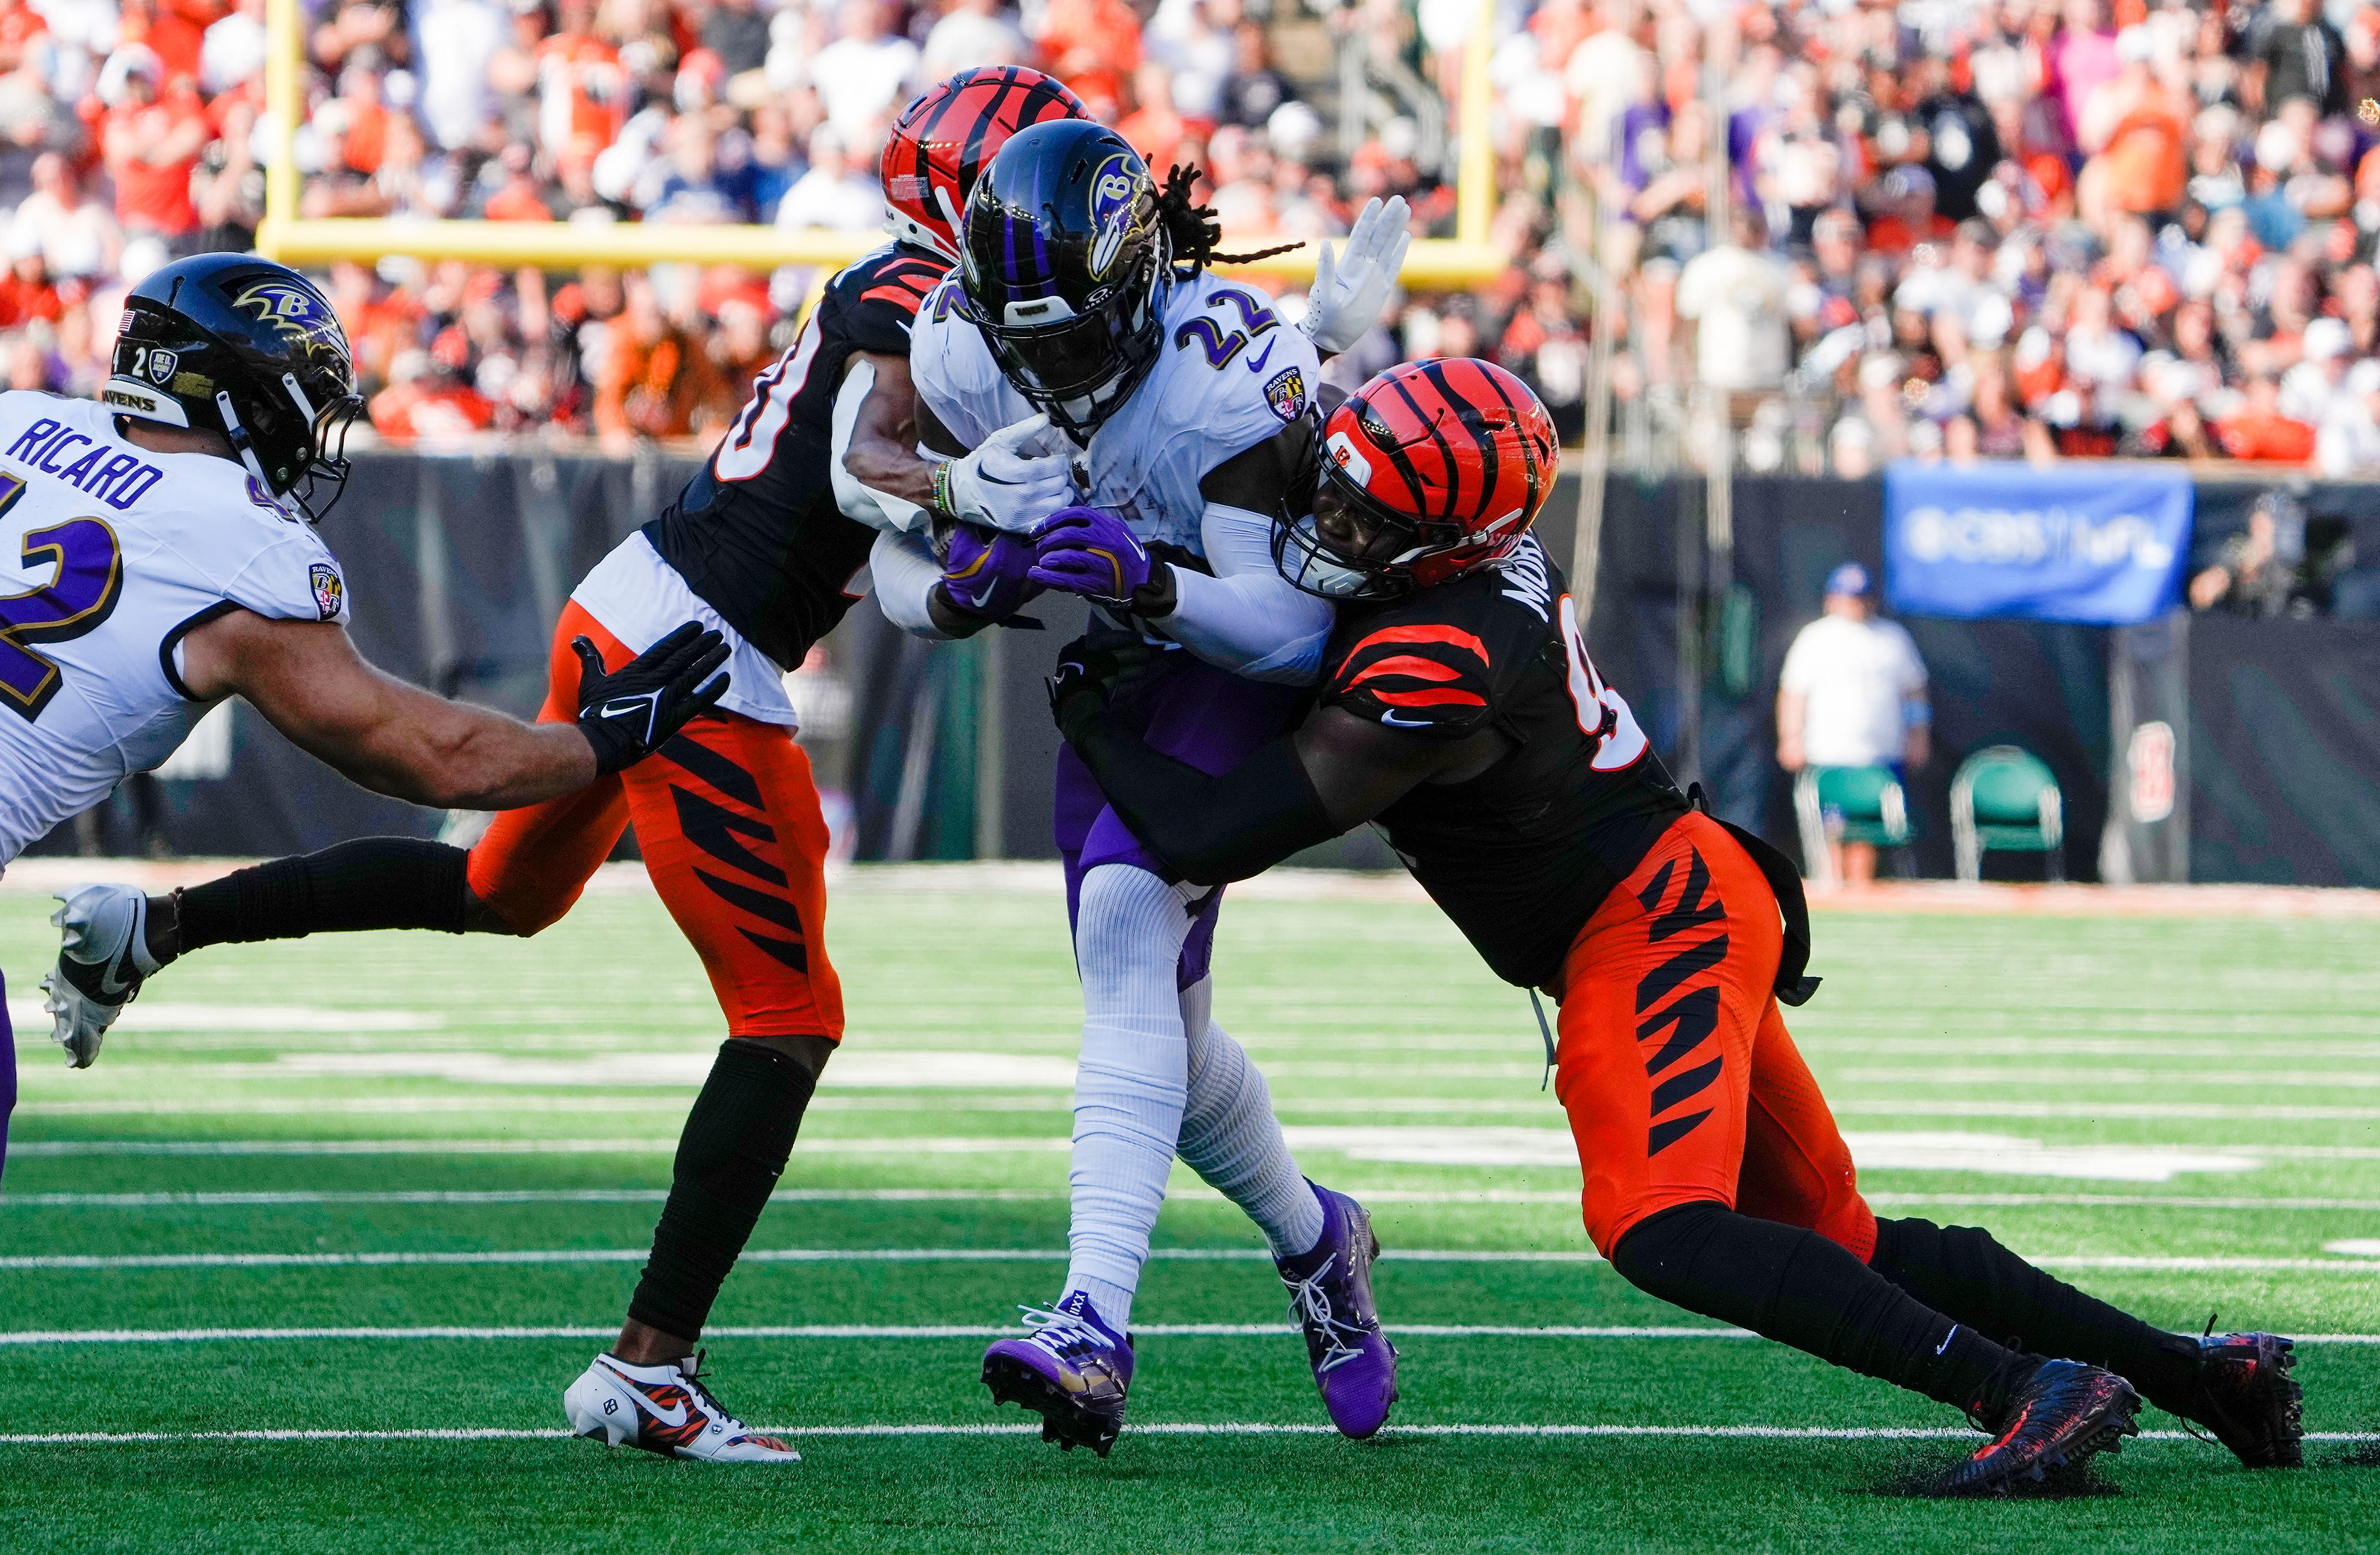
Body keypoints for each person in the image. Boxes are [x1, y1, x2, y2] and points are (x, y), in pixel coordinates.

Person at [46, 68, 1093, 1466]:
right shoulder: (917, 291)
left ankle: (157, 922)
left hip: (644, 596)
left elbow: (884, 558)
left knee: (502, 893)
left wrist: (962, 574)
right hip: (702, 649)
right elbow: (862, 463)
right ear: (970, 188)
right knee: (788, 1013)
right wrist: (963, 495)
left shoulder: (932, 303)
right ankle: (649, 1366)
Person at [1047, 357, 2304, 1495]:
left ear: (1450, 541)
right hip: (1681, 884)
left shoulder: (1438, 650)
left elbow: (1213, 834)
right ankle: (2207, 1374)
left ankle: (2023, 1386)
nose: (1336, 526)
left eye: (1374, 520)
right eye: (1338, 492)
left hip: (1646, 916)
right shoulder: (1470, 567)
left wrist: (1094, 718)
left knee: (1657, 1222)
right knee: (1839, 1236)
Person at [876, 118, 1412, 1455]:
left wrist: (1153, 577)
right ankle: (1317, 1237)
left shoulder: (1218, 369)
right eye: (1027, 343)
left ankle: (1091, 1324)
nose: (1048, 368)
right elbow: (877, 546)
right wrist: (955, 562)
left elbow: (1290, 627)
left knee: (1125, 911)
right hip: (1128, 664)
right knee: (1156, 1020)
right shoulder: (954, 339)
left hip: (1231, 650)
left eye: (1072, 337)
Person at [19, 251, 727, 1162]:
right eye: (299, 405)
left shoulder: (20, 423)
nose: (309, 437)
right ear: (244, 394)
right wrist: (600, 742)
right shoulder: (237, 544)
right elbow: (440, 759)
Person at [1775, 564, 1930, 887]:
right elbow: (1793, 692)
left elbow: (1914, 691)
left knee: (1865, 829)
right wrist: (1790, 737)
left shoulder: (1892, 638)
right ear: (1831, 599)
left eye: (1861, 597)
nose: (1855, 604)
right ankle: (1832, 887)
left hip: (1879, 753)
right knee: (1832, 827)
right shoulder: (1815, 638)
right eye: (1847, 597)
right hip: (1829, 752)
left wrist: (1918, 735)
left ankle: (1859, 892)